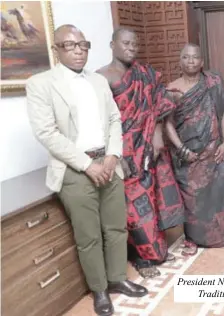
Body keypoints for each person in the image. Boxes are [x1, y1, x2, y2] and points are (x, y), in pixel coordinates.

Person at [26, 24, 147, 316]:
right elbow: (47, 133)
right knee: (89, 236)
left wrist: (112, 156)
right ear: (56, 49)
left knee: (117, 228)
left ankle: (118, 278)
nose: (79, 50)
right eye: (70, 45)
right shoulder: (41, 84)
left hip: (107, 164)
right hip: (75, 170)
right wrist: (87, 165)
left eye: (83, 45)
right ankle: (100, 290)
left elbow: (115, 120)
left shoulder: (98, 81)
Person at [96, 28, 189, 279]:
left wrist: (158, 136)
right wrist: (113, 155)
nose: (131, 48)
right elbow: (98, 122)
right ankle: (140, 256)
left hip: (149, 146)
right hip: (123, 152)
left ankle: (154, 250)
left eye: (135, 44)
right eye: (125, 43)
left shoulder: (145, 73)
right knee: (132, 207)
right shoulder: (101, 78)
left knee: (152, 201)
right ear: (112, 44)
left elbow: (159, 104)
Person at [164, 43, 224, 248]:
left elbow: (222, 114)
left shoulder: (213, 82)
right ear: (180, 61)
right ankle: (196, 238)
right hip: (188, 155)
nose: (191, 61)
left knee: (218, 193)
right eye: (186, 57)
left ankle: (219, 235)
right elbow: (167, 124)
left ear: (202, 62)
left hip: (215, 151)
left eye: (195, 57)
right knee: (193, 199)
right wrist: (182, 150)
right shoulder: (171, 89)